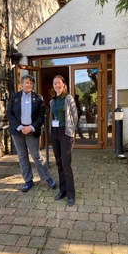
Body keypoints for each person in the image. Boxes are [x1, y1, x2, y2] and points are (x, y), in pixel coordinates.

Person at [7, 74, 56, 192]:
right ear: (21, 84)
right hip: (17, 131)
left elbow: (41, 116)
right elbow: (9, 114)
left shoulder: (38, 97)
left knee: (36, 156)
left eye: (31, 83)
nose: (28, 85)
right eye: (26, 82)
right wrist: (19, 127)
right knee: (22, 156)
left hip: (32, 131)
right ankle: (28, 180)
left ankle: (47, 177)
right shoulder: (15, 97)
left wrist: (32, 127)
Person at [50, 75, 78, 206]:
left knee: (66, 164)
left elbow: (75, 116)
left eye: (59, 83)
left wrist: (71, 132)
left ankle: (71, 194)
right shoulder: (52, 101)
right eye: (55, 83)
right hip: (55, 133)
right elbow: (52, 117)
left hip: (65, 133)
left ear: (64, 84)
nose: (57, 85)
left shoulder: (68, 98)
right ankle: (63, 190)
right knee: (59, 163)